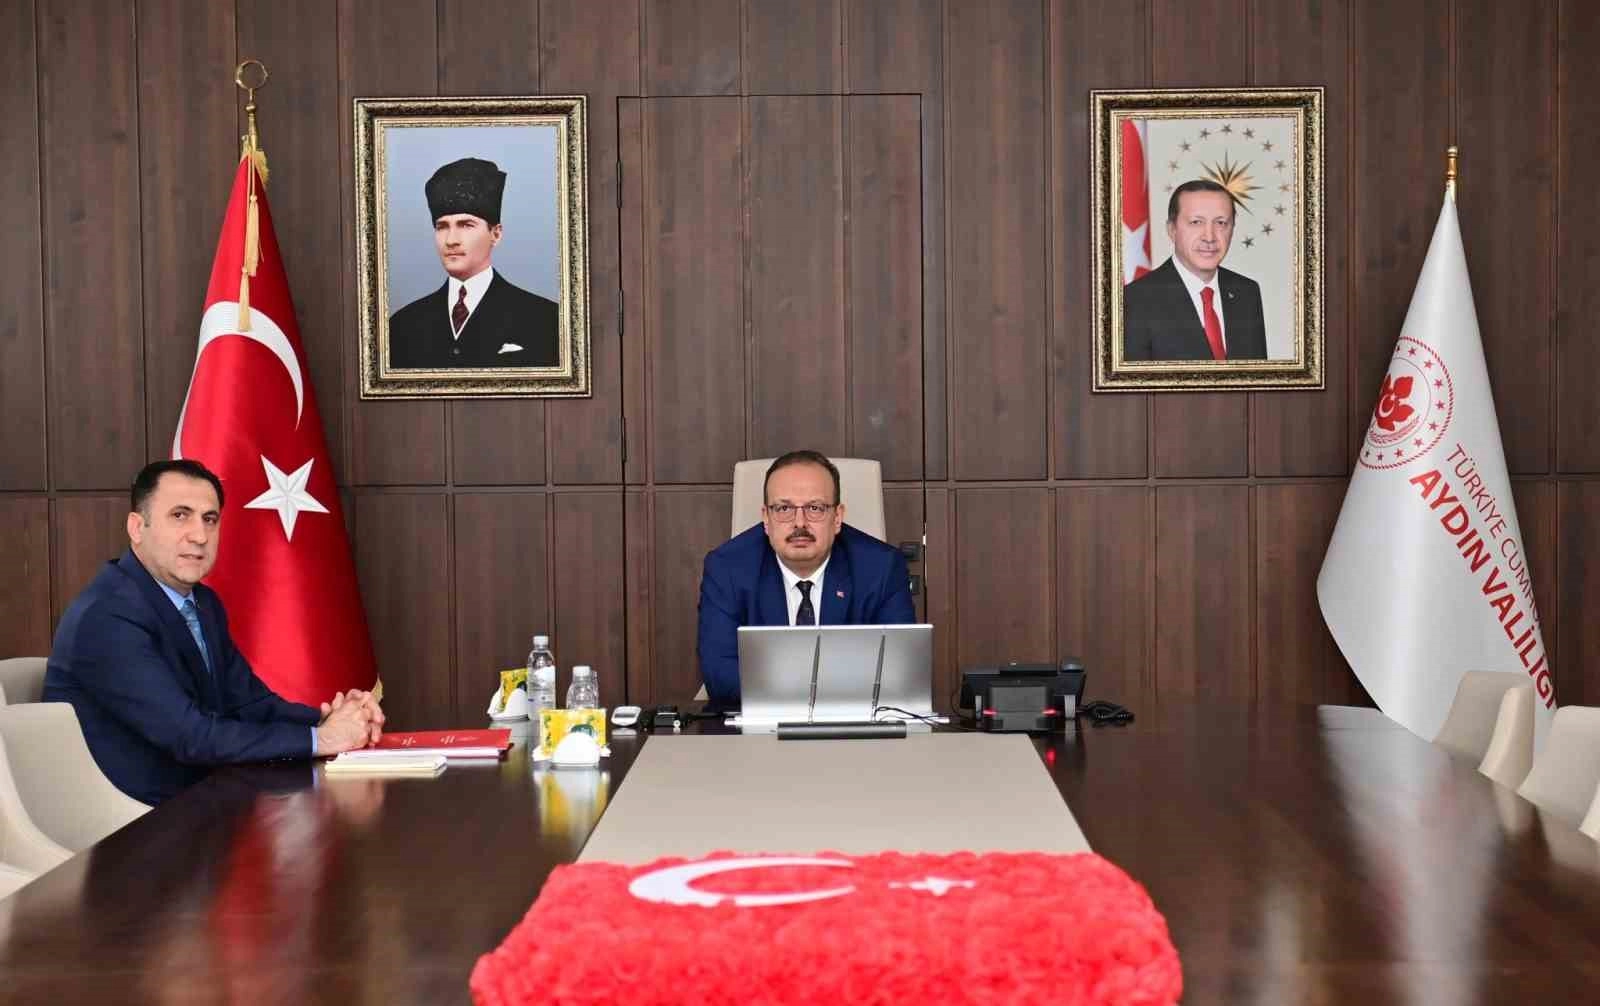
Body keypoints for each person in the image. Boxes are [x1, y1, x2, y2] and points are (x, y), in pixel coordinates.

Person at [43, 460, 384, 805]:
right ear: (137, 527)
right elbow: (190, 737)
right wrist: (322, 739)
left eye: (209, 519)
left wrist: (327, 719)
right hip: (135, 821)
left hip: (200, 802)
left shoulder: (203, 603)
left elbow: (249, 703)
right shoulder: (107, 616)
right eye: (180, 515)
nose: (199, 536)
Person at [696, 451, 916, 707]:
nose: (799, 523)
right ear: (766, 518)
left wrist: (785, 685)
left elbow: (900, 670)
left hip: (852, 719)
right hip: (762, 721)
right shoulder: (727, 568)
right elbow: (720, 675)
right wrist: (831, 685)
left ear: (837, 517)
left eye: (815, 508)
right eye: (784, 508)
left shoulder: (882, 568)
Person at [387, 156, 559, 369]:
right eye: (442, 226)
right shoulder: (403, 326)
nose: (451, 240)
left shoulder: (546, 320)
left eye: (466, 225)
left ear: (495, 234)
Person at [1122, 179, 1268, 362]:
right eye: (1196, 222)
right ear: (1172, 229)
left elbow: (1258, 376)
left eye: (1221, 223)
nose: (1209, 237)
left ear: (1232, 229)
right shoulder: (1135, 300)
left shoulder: (1246, 292)